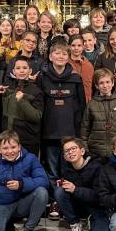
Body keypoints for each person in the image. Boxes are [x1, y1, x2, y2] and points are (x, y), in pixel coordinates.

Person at [39, 42, 85, 184]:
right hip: (49, 134)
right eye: (57, 53)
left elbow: (81, 107)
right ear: (50, 56)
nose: (61, 56)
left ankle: (67, 202)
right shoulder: (42, 78)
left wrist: (78, 133)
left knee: (69, 172)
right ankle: (54, 202)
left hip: (69, 134)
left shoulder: (76, 79)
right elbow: (39, 106)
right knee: (52, 172)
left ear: (68, 57)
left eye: (64, 54)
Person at [56, 137, 108, 231]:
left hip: (96, 206)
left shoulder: (97, 167)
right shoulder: (66, 169)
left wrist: (75, 189)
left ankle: (89, 220)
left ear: (82, 151)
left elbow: (99, 197)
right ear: (65, 156)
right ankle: (75, 224)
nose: (70, 152)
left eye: (73, 149)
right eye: (67, 151)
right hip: (78, 204)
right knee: (59, 191)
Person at [81, 68, 116, 160]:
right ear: (96, 86)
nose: (105, 86)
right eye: (101, 83)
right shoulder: (91, 105)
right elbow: (84, 132)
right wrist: (87, 152)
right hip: (95, 153)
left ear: (112, 83)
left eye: (108, 82)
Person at [0, 56, 43, 157]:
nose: (21, 71)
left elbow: (37, 117)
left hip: (28, 140)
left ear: (30, 70)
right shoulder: (7, 88)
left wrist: (22, 101)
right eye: (18, 68)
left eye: (24, 68)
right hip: (8, 140)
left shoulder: (36, 91)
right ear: (13, 71)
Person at [68, 34, 94, 102]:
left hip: (86, 103)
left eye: (79, 45)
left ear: (83, 47)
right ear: (69, 47)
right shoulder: (65, 64)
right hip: (70, 102)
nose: (76, 48)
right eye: (73, 45)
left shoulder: (89, 65)